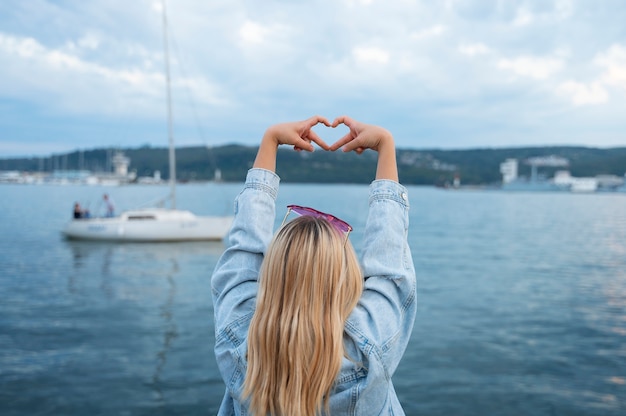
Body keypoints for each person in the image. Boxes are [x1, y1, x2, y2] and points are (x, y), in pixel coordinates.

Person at [211, 115, 416, 415]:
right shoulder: (368, 349)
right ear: (345, 279)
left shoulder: (239, 337)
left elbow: (244, 248)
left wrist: (270, 141)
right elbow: (389, 266)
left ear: (272, 272)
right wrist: (386, 146)